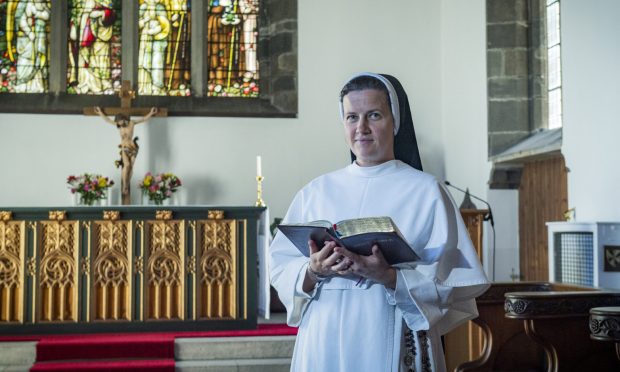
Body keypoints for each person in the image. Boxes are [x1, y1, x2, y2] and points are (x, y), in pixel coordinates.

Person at [269, 73, 490, 372]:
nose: (361, 128)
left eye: (374, 115)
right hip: (325, 334)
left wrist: (388, 276)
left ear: (395, 121)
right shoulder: (316, 192)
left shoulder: (426, 191)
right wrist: (313, 270)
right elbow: (280, 265)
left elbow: (453, 282)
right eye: (351, 117)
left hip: (394, 332)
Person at [94, 106, 158, 204]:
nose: (119, 125)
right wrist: (99, 112)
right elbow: (107, 120)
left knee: (131, 167)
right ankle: (125, 185)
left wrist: (151, 113)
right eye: (118, 124)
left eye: (120, 122)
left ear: (123, 120)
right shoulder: (119, 125)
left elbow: (143, 119)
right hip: (125, 148)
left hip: (133, 148)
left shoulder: (131, 123)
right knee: (126, 165)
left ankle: (127, 184)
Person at [138, 0, 170, 95]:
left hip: (159, 40)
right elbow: (136, 23)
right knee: (144, 61)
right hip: (145, 37)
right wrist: (144, 21)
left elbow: (165, 25)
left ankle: (157, 87)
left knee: (157, 61)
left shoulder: (160, 8)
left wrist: (156, 30)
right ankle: (144, 86)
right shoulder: (143, 7)